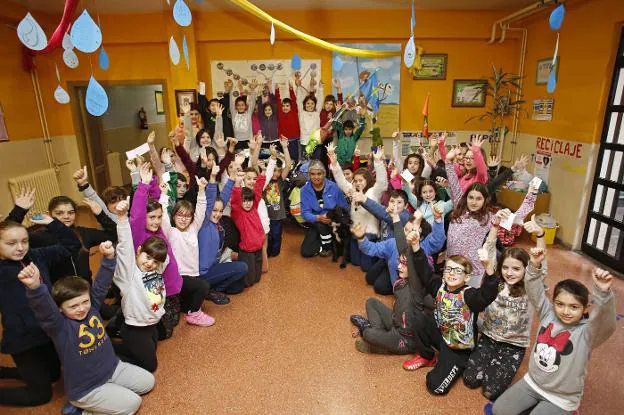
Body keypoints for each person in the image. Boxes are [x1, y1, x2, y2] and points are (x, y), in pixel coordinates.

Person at [18, 243, 155, 415]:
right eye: (73, 306)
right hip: (87, 388)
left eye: (85, 302)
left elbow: (100, 286)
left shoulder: (93, 309)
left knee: (148, 382)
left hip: (113, 369)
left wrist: (108, 258)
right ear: (60, 308)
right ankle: (80, 409)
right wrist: (35, 287)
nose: (82, 308)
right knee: (133, 403)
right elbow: (44, 310)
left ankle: (109, 391)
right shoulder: (58, 326)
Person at [490, 251, 616, 415]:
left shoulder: (587, 332)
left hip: (561, 397)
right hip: (533, 383)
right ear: (554, 303)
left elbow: (605, 323)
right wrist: (534, 266)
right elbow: (534, 290)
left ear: (585, 308)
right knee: (499, 410)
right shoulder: (548, 313)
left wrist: (603, 293)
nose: (565, 311)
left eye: (574, 307)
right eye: (560, 304)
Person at [0, 202, 81, 407]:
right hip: (23, 340)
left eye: (24, 241)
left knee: (54, 375)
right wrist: (18, 211)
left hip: (47, 332)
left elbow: (72, 245)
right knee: (40, 395)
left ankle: (8, 372)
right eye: (11, 243)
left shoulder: (37, 255)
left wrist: (53, 223)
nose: (20, 247)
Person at [463, 219, 546, 400]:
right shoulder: (496, 282)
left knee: (490, 391)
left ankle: (496, 364)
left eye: (516, 268)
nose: (510, 272)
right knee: (470, 380)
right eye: (506, 267)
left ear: (526, 269)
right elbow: (489, 250)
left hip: (513, 346)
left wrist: (540, 236)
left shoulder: (531, 287)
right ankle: (490, 361)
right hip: (488, 337)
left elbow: (541, 264)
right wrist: (494, 226)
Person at [403, 249, 499, 395]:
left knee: (436, 387)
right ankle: (427, 356)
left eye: (457, 271)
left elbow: (486, 295)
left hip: (458, 349)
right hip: (443, 335)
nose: (452, 273)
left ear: (467, 278)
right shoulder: (440, 286)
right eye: (448, 269)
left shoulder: (469, 295)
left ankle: (451, 364)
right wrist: (416, 248)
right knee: (418, 317)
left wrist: (489, 269)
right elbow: (425, 272)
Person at [159, 175, 215, 326]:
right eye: (180, 215)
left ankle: (187, 308)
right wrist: (163, 194)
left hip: (193, 274)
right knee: (203, 286)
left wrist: (202, 190)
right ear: (174, 216)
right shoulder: (170, 231)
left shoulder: (193, 229)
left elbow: (201, 210)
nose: (184, 219)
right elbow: (163, 213)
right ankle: (194, 315)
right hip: (178, 276)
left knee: (198, 290)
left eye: (187, 216)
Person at [329, 145, 388, 272]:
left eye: (361, 180)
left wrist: (378, 162)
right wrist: (334, 163)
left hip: (369, 234)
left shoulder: (374, 192)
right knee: (355, 262)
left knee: (366, 267)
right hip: (355, 232)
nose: (358, 183)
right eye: (355, 181)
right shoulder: (352, 191)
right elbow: (341, 181)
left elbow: (382, 182)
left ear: (367, 180)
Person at [198, 172, 247, 304]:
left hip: (214, 268)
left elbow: (223, 199)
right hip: (204, 274)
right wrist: (212, 179)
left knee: (237, 288)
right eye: (214, 211)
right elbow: (210, 201)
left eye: (220, 211)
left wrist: (232, 178)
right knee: (242, 267)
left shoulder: (216, 224)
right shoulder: (204, 223)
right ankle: (211, 290)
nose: (218, 214)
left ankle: (212, 289)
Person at [300, 159, 349, 258]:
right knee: (306, 252)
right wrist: (318, 218)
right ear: (309, 175)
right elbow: (305, 213)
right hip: (317, 223)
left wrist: (335, 219)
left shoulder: (334, 187)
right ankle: (326, 242)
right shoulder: (304, 190)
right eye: (313, 174)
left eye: (319, 174)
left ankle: (328, 243)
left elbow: (344, 208)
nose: (316, 177)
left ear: (324, 174)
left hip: (334, 223)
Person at [230, 165, 267, 287]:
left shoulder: (254, 207)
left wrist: (262, 174)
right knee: (248, 281)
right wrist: (238, 183)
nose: (247, 203)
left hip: (258, 248)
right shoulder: (238, 213)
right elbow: (235, 199)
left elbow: (257, 191)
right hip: (247, 251)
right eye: (244, 201)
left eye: (249, 200)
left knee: (256, 278)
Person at [264, 136, 292, 257]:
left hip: (277, 216)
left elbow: (288, 165)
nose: (276, 173)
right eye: (274, 170)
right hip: (265, 215)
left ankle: (275, 254)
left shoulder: (280, 181)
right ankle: (267, 253)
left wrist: (285, 147)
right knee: (267, 236)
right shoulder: (264, 181)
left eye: (278, 171)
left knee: (276, 235)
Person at [296, 75, 324, 157]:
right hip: (304, 142)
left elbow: (320, 101)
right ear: (304, 104)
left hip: (315, 142)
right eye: (308, 103)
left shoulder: (317, 112)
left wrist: (321, 88)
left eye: (312, 103)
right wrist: (298, 87)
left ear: (315, 105)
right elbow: (298, 100)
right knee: (304, 165)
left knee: (315, 164)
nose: (310, 105)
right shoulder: (302, 112)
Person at [229, 79, 258, 150]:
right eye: (238, 105)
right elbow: (231, 102)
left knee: (249, 160)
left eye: (242, 105)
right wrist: (230, 90)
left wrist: (253, 90)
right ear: (236, 106)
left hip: (248, 141)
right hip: (237, 142)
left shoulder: (248, 113)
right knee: (239, 160)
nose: (240, 107)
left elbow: (253, 102)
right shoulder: (234, 114)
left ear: (245, 106)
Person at [275, 82, 301, 164]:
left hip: (295, 140)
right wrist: (276, 90)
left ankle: (294, 173)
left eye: (287, 106)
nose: (285, 107)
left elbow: (293, 100)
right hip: (284, 141)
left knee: (295, 158)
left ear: (291, 106)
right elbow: (278, 100)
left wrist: (291, 89)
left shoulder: (294, 111)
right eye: (283, 106)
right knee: (285, 159)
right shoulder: (280, 112)